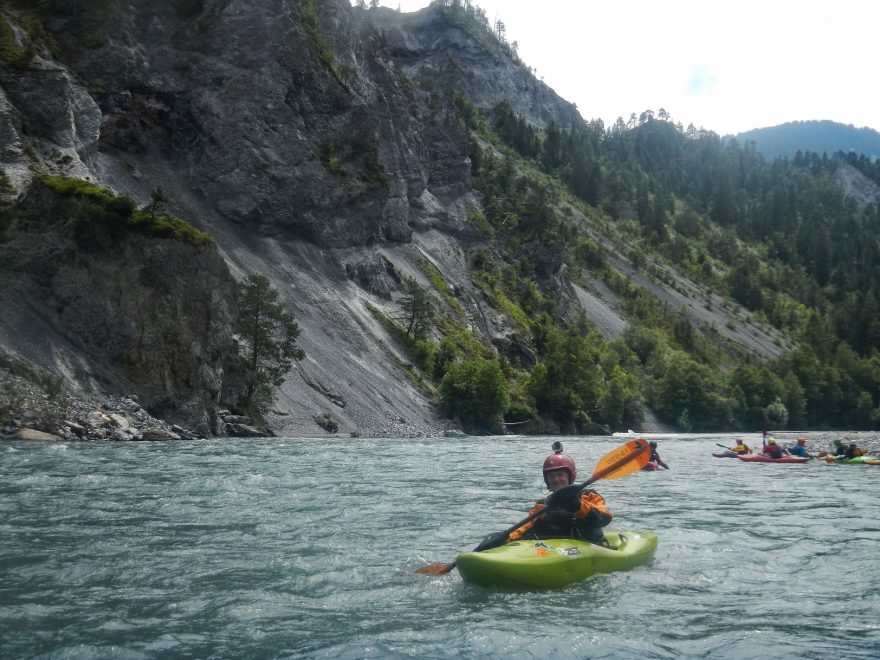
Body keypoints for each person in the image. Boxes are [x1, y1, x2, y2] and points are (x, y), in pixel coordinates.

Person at [507, 442, 613, 547]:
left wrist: (578, 505)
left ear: (570, 476)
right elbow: (522, 528)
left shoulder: (588, 496)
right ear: (547, 480)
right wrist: (505, 539)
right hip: (554, 551)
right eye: (551, 476)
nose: (556, 479)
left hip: (590, 547)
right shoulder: (542, 505)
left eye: (560, 474)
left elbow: (605, 517)